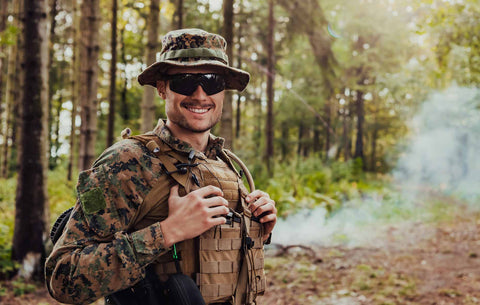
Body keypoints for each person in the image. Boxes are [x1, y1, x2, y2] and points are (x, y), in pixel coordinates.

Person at [45, 28, 277, 305]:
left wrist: (256, 227)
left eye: (212, 81)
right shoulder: (127, 162)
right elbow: (64, 278)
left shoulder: (224, 163)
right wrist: (168, 232)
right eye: (185, 81)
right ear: (162, 88)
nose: (201, 94)